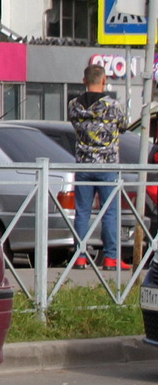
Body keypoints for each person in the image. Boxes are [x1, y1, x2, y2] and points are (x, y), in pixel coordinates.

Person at [68, 64, 129, 269]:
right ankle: (111, 257)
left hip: (83, 164)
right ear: (104, 80)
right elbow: (123, 126)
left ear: (84, 81)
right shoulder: (113, 105)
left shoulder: (73, 105)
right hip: (107, 165)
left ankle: (80, 256)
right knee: (110, 211)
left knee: (82, 212)